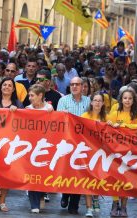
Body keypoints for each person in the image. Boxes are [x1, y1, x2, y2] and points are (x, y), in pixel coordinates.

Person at [0, 77, 24, 212]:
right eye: (4, 85)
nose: (7, 87)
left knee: (7, 172)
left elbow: (22, 124)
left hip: (10, 143)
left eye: (9, 85)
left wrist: (18, 112)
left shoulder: (18, 104)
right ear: (0, 87)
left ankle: (2, 201)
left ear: (13, 89)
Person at [107, 89, 137, 217]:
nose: (127, 100)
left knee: (127, 178)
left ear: (133, 101)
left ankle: (124, 206)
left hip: (130, 152)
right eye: (125, 98)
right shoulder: (114, 113)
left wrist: (126, 127)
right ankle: (115, 203)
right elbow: (108, 129)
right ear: (121, 100)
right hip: (116, 152)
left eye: (130, 98)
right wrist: (111, 124)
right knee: (115, 178)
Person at [57, 76, 90, 214]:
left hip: (84, 143)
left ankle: (74, 204)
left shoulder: (89, 101)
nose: (75, 87)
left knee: (79, 172)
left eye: (77, 84)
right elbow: (58, 120)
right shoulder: (63, 100)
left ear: (83, 86)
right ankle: (65, 194)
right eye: (72, 84)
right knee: (67, 170)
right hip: (67, 141)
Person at [26, 84, 53, 213]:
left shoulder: (49, 108)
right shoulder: (27, 109)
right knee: (32, 174)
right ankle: (34, 204)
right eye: (29, 95)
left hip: (46, 147)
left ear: (40, 95)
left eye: (32, 95)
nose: (29, 98)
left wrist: (53, 114)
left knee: (43, 173)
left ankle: (42, 194)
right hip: (31, 147)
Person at [81, 92, 107, 217]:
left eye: (99, 100)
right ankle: (89, 208)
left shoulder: (107, 118)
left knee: (97, 179)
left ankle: (96, 198)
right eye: (95, 100)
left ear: (103, 103)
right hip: (87, 152)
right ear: (91, 102)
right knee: (87, 180)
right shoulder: (84, 116)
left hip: (101, 153)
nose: (97, 103)